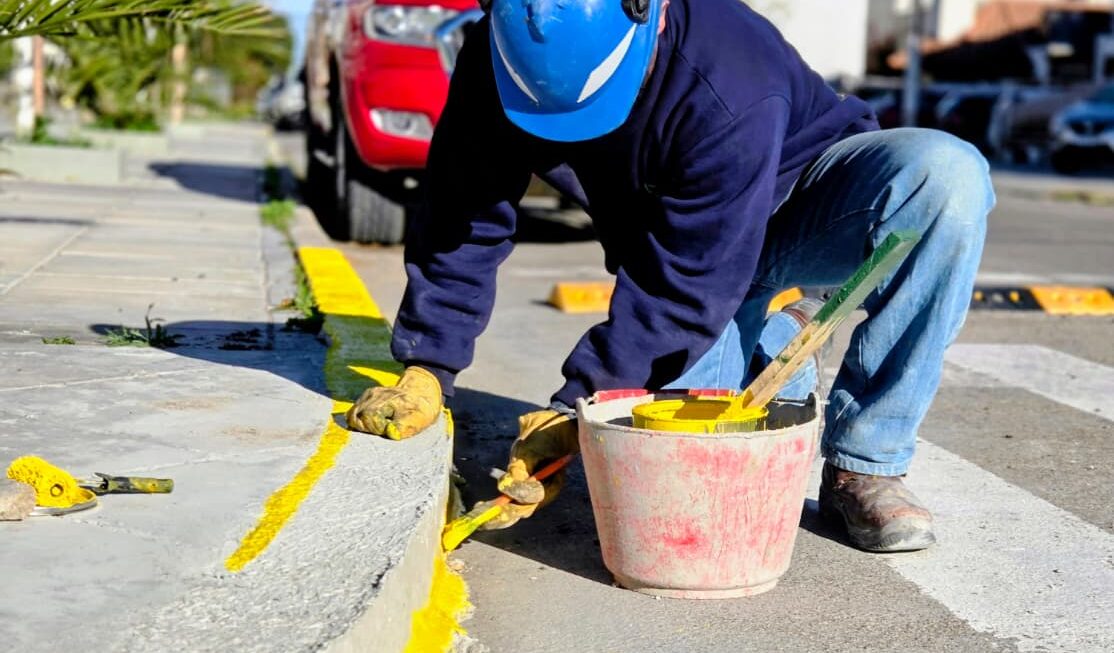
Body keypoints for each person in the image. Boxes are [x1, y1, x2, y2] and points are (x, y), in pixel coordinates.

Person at [345, 0, 994, 552]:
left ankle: (864, 462)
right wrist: (428, 363)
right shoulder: (499, 56)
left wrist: (579, 402)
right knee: (671, 484)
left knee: (948, 178)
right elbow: (463, 214)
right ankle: (767, 341)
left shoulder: (725, 76)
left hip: (801, 211)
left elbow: (682, 291)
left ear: (648, 20)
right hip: (685, 249)